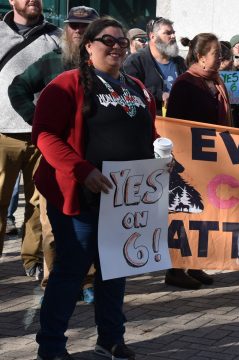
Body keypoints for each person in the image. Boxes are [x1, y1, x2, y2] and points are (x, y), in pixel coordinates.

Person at [32, 17, 156, 360]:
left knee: (115, 270)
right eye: (108, 41)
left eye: (121, 42)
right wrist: (82, 170)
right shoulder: (69, 83)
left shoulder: (136, 87)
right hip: (80, 196)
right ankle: (52, 346)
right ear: (88, 45)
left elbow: (148, 132)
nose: (117, 47)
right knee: (71, 271)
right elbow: (44, 135)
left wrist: (161, 155)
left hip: (124, 199)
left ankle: (110, 339)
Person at [8, 5, 100, 302]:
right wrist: (37, 121)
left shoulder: (110, 68)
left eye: (85, 27)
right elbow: (18, 87)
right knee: (52, 224)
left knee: (92, 227)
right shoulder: (52, 62)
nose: (78, 31)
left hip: (95, 159)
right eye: (74, 25)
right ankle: (52, 280)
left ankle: (86, 282)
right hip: (56, 157)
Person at [0, 0, 61, 279]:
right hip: (2, 133)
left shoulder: (57, 36)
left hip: (43, 135)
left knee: (39, 205)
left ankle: (32, 260)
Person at [164, 33, 230, 290]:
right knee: (185, 214)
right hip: (189, 161)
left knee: (204, 215)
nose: (221, 58)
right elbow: (176, 125)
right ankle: (175, 269)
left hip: (212, 160)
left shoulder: (217, 82)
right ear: (201, 57)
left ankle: (194, 264)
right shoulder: (185, 84)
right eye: (216, 53)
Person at [123, 17, 186, 115]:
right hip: (150, 120)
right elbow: (131, 89)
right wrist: (160, 95)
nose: (173, 36)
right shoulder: (135, 61)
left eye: (173, 32)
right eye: (168, 33)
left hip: (179, 119)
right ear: (152, 36)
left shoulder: (180, 62)